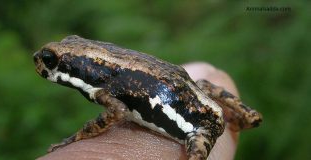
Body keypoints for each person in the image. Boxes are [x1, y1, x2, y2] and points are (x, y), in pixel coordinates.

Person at [38, 62, 239, 160]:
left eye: (49, 59)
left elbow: (117, 111)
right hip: (188, 91)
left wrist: (81, 134)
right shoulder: (102, 80)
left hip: (201, 126)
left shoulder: (101, 86)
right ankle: (246, 115)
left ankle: (246, 116)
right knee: (203, 83)